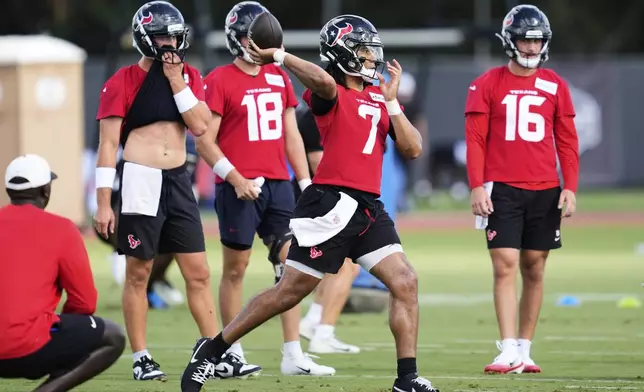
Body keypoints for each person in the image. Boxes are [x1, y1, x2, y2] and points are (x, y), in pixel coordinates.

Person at [182, 14, 439, 392]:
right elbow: (320, 79)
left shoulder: (377, 97)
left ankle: (407, 378)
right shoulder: (329, 91)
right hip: (331, 206)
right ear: (344, 54)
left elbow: (413, 148)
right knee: (288, 292)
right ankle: (213, 348)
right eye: (364, 52)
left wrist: (393, 104)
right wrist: (280, 56)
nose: (372, 59)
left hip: (369, 208)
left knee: (405, 281)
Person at [94, 0, 254, 381]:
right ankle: (141, 356)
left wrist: (176, 79)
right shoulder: (122, 82)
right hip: (140, 178)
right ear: (146, 39)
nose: (171, 43)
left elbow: (200, 126)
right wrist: (103, 203)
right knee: (139, 272)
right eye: (163, 36)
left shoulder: (190, 75)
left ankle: (214, 351)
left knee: (197, 272)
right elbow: (107, 145)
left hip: (177, 179)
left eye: (174, 36)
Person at [195, 1, 333, 377]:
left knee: (291, 266)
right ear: (238, 39)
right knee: (236, 269)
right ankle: (231, 351)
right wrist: (235, 178)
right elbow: (205, 141)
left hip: (277, 184)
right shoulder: (220, 79)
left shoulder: (278, 76)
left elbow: (291, 135)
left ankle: (292, 354)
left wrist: (305, 182)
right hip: (238, 186)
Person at [464, 4, 579, 375]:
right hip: (503, 188)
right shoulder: (486, 83)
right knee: (505, 265)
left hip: (545, 187)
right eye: (525, 40)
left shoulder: (556, 85)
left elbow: (567, 141)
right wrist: (477, 185)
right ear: (509, 41)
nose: (531, 48)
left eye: (536, 41)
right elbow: (476, 140)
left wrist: (570, 187)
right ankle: (507, 348)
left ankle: (525, 351)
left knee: (535, 267)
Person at [0, 154, 126, 392]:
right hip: (30, 346)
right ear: (45, 191)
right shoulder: (62, 229)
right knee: (113, 336)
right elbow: (85, 302)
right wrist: (57, 326)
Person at [94, 136, 201, 309]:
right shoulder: (136, 151)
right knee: (135, 266)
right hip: (124, 214)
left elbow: (191, 194)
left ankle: (156, 282)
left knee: (176, 243)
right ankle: (122, 254)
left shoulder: (185, 147)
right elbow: (118, 199)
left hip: (161, 210)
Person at [294, 106, 362, 354]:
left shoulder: (341, 112)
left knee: (342, 265)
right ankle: (322, 331)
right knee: (345, 266)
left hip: (332, 197)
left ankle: (313, 322)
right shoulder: (315, 115)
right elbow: (317, 161)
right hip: (325, 198)